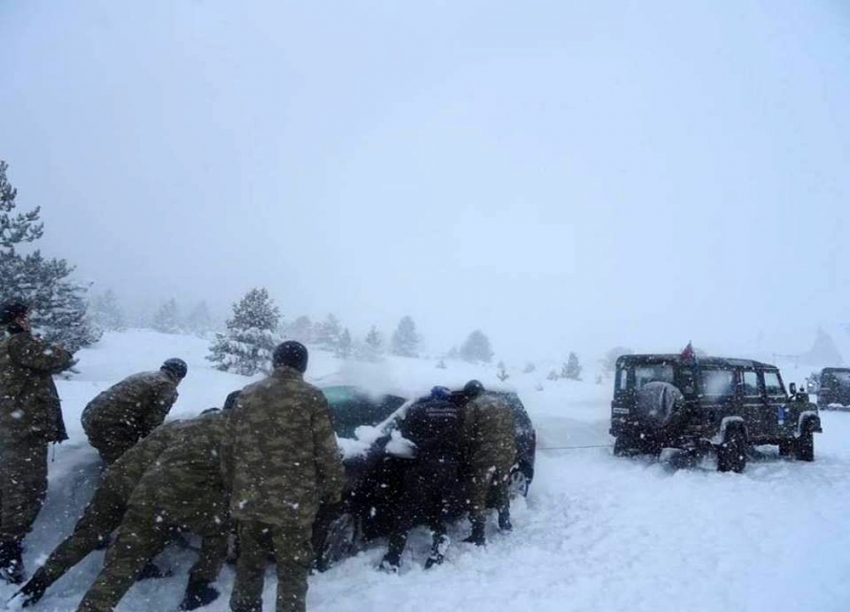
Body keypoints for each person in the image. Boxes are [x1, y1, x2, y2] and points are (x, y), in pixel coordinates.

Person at [11, 409, 225, 608]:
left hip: (117, 481)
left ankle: (36, 584)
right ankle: (197, 588)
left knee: (85, 536)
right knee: (128, 561)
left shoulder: (178, 426)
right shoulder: (227, 439)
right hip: (150, 496)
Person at [223, 340, 344, 612]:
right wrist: (334, 487)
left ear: (275, 362)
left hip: (249, 500)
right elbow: (327, 449)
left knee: (249, 562)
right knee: (292, 568)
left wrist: (233, 485)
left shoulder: (248, 393)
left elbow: (228, 446)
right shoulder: (310, 396)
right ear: (303, 365)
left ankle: (244, 607)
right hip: (293, 504)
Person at [73, 408, 232, 612]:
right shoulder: (234, 434)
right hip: (185, 500)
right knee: (218, 531)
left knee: (129, 553)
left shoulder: (183, 428)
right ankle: (199, 587)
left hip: (146, 493)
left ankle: (94, 597)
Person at [0, 300, 72, 584]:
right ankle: (7, 550)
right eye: (26, 316)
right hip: (22, 432)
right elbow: (61, 358)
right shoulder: (19, 343)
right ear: (19, 318)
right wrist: (33, 338)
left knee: (12, 486)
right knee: (26, 490)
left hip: (13, 430)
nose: (30, 320)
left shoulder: (8, 346)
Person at [379, 386, 463, 572]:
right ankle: (440, 541)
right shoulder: (457, 412)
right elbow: (463, 439)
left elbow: (406, 436)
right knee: (436, 507)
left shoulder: (419, 409)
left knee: (406, 510)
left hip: (424, 465)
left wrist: (424, 444)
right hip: (449, 467)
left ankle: (393, 558)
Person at [81, 357, 187, 463]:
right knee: (125, 465)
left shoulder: (144, 376)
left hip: (90, 415)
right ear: (180, 376)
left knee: (113, 454)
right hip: (112, 424)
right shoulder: (166, 386)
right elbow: (152, 422)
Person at [459, 380, 516, 546]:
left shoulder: (473, 406)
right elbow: (511, 427)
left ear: (470, 394)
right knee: (501, 487)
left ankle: (478, 534)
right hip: (506, 453)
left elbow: (466, 434)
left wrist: (464, 453)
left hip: (485, 456)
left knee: (478, 493)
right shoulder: (503, 403)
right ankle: (505, 522)